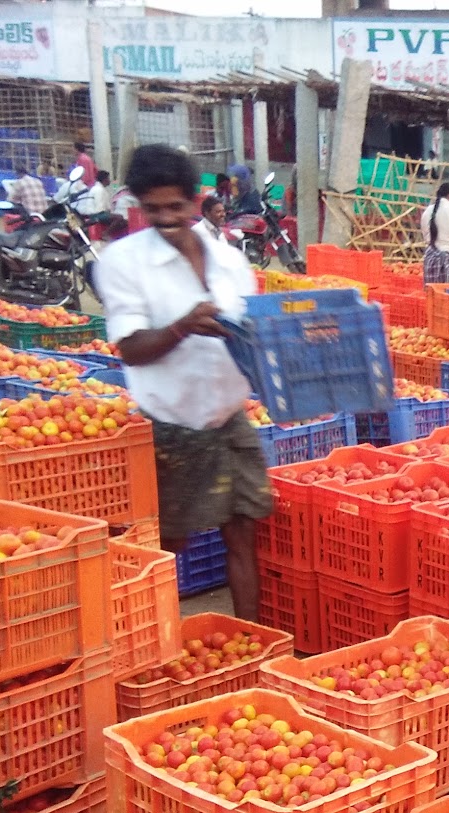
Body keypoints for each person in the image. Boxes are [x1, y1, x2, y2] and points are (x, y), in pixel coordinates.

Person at [94, 144, 268, 621]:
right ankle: (157, 641)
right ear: (138, 205)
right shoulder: (122, 262)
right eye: (153, 209)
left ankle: (250, 643)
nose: (166, 219)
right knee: (170, 542)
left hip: (229, 418)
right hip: (172, 426)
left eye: (175, 207)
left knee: (242, 529)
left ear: (195, 202)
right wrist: (182, 326)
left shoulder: (228, 259)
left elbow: (253, 328)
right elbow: (130, 347)